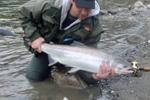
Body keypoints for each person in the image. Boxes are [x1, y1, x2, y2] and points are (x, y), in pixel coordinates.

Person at [18, 0, 115, 85]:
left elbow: (90, 51)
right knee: (33, 77)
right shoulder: (51, 4)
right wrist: (35, 37)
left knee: (92, 82)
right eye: (81, 6)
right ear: (72, 0)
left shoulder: (94, 25)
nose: (84, 12)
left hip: (74, 56)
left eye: (88, 7)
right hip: (47, 50)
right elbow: (23, 12)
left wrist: (95, 76)